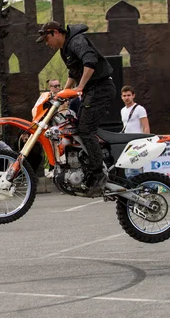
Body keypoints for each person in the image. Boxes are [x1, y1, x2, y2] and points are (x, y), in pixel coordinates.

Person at [37, 20, 116, 196]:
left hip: (100, 89)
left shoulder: (76, 41)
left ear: (55, 33)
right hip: (92, 91)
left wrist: (79, 88)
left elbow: (90, 62)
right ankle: (89, 166)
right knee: (75, 128)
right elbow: (73, 72)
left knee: (85, 129)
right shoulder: (64, 50)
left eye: (46, 39)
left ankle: (99, 175)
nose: (46, 44)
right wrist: (63, 94)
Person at [120, 85, 150, 178]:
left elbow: (146, 127)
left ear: (133, 96)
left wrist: (145, 142)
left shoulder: (139, 109)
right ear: (121, 97)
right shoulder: (123, 110)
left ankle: (150, 187)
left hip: (138, 143)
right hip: (127, 143)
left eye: (128, 95)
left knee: (133, 171)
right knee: (128, 171)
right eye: (124, 96)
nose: (126, 98)